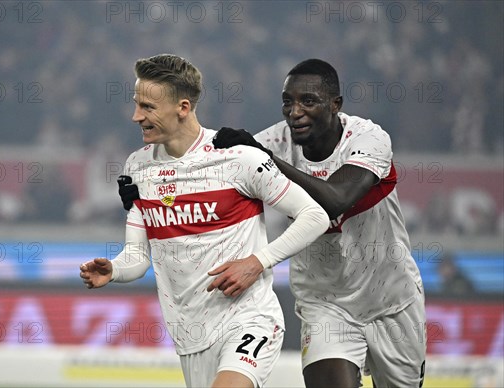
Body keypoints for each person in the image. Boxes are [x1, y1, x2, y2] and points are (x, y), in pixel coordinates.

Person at [119, 58, 427, 387]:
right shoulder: (270, 142)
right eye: (287, 102)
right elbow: (207, 168)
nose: (295, 111)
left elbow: (336, 200)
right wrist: (148, 192)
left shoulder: (368, 139)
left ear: (335, 104)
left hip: (392, 299)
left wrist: (268, 159)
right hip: (324, 303)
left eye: (308, 101)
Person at [81, 54, 330, 388]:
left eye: (148, 108)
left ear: (183, 107)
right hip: (190, 335)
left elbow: (315, 215)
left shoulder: (237, 157)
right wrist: (114, 270)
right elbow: (138, 258)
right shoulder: (137, 168)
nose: (136, 116)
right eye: (136, 104)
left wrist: (258, 261)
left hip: (249, 319)